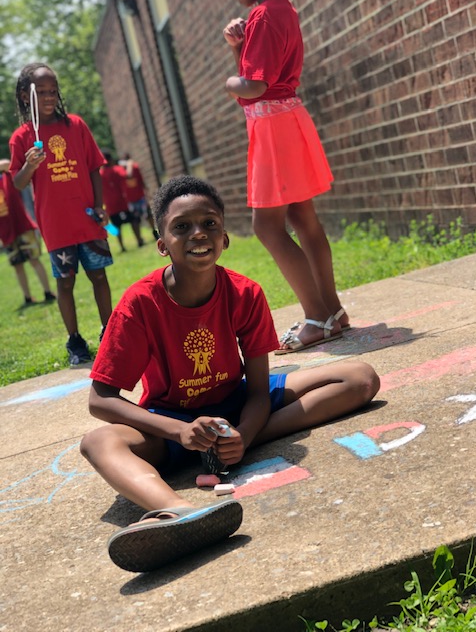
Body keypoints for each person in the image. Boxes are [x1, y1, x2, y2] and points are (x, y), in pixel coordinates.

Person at [80, 175, 380, 573]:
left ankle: (223, 446)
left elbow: (257, 391)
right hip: (172, 420)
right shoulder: (139, 304)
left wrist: (243, 436)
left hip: (235, 404)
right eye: (181, 227)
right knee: (97, 442)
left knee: (360, 378)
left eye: (210, 224)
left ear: (224, 238)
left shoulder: (246, 293)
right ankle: (179, 512)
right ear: (161, 243)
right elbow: (100, 399)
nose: (198, 234)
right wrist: (179, 432)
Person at [224, 0, 349, 354]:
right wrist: (239, 47)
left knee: (266, 226)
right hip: (285, 118)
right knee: (301, 215)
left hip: (273, 127)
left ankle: (318, 318)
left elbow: (253, 87)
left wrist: (230, 83)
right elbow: (260, 78)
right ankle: (332, 312)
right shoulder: (280, 8)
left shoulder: (263, 15)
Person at [9, 62, 113, 366]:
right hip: (55, 225)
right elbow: (18, 182)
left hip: (86, 219)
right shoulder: (22, 137)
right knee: (65, 282)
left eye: (53, 90)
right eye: (41, 92)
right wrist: (30, 164)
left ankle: (109, 332)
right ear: (25, 96)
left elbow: (95, 166)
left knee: (98, 275)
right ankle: (75, 340)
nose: (49, 96)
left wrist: (100, 206)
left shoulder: (76, 125)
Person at [0, 158, 56, 307]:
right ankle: (27, 297)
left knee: (34, 260)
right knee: (17, 265)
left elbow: (7, 163)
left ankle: (47, 291)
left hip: (23, 227)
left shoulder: (6, 176)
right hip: (6, 232)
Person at [100, 150, 145, 252]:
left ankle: (122, 247)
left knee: (116, 226)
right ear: (111, 160)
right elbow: (128, 175)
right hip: (123, 202)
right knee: (133, 221)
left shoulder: (100, 174)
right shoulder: (116, 169)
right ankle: (139, 240)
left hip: (110, 205)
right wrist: (129, 163)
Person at [119, 152, 156, 237]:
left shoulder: (134, 167)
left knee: (147, 216)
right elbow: (129, 175)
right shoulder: (121, 170)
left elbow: (139, 180)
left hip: (139, 197)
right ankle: (139, 239)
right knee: (135, 220)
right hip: (130, 199)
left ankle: (154, 232)